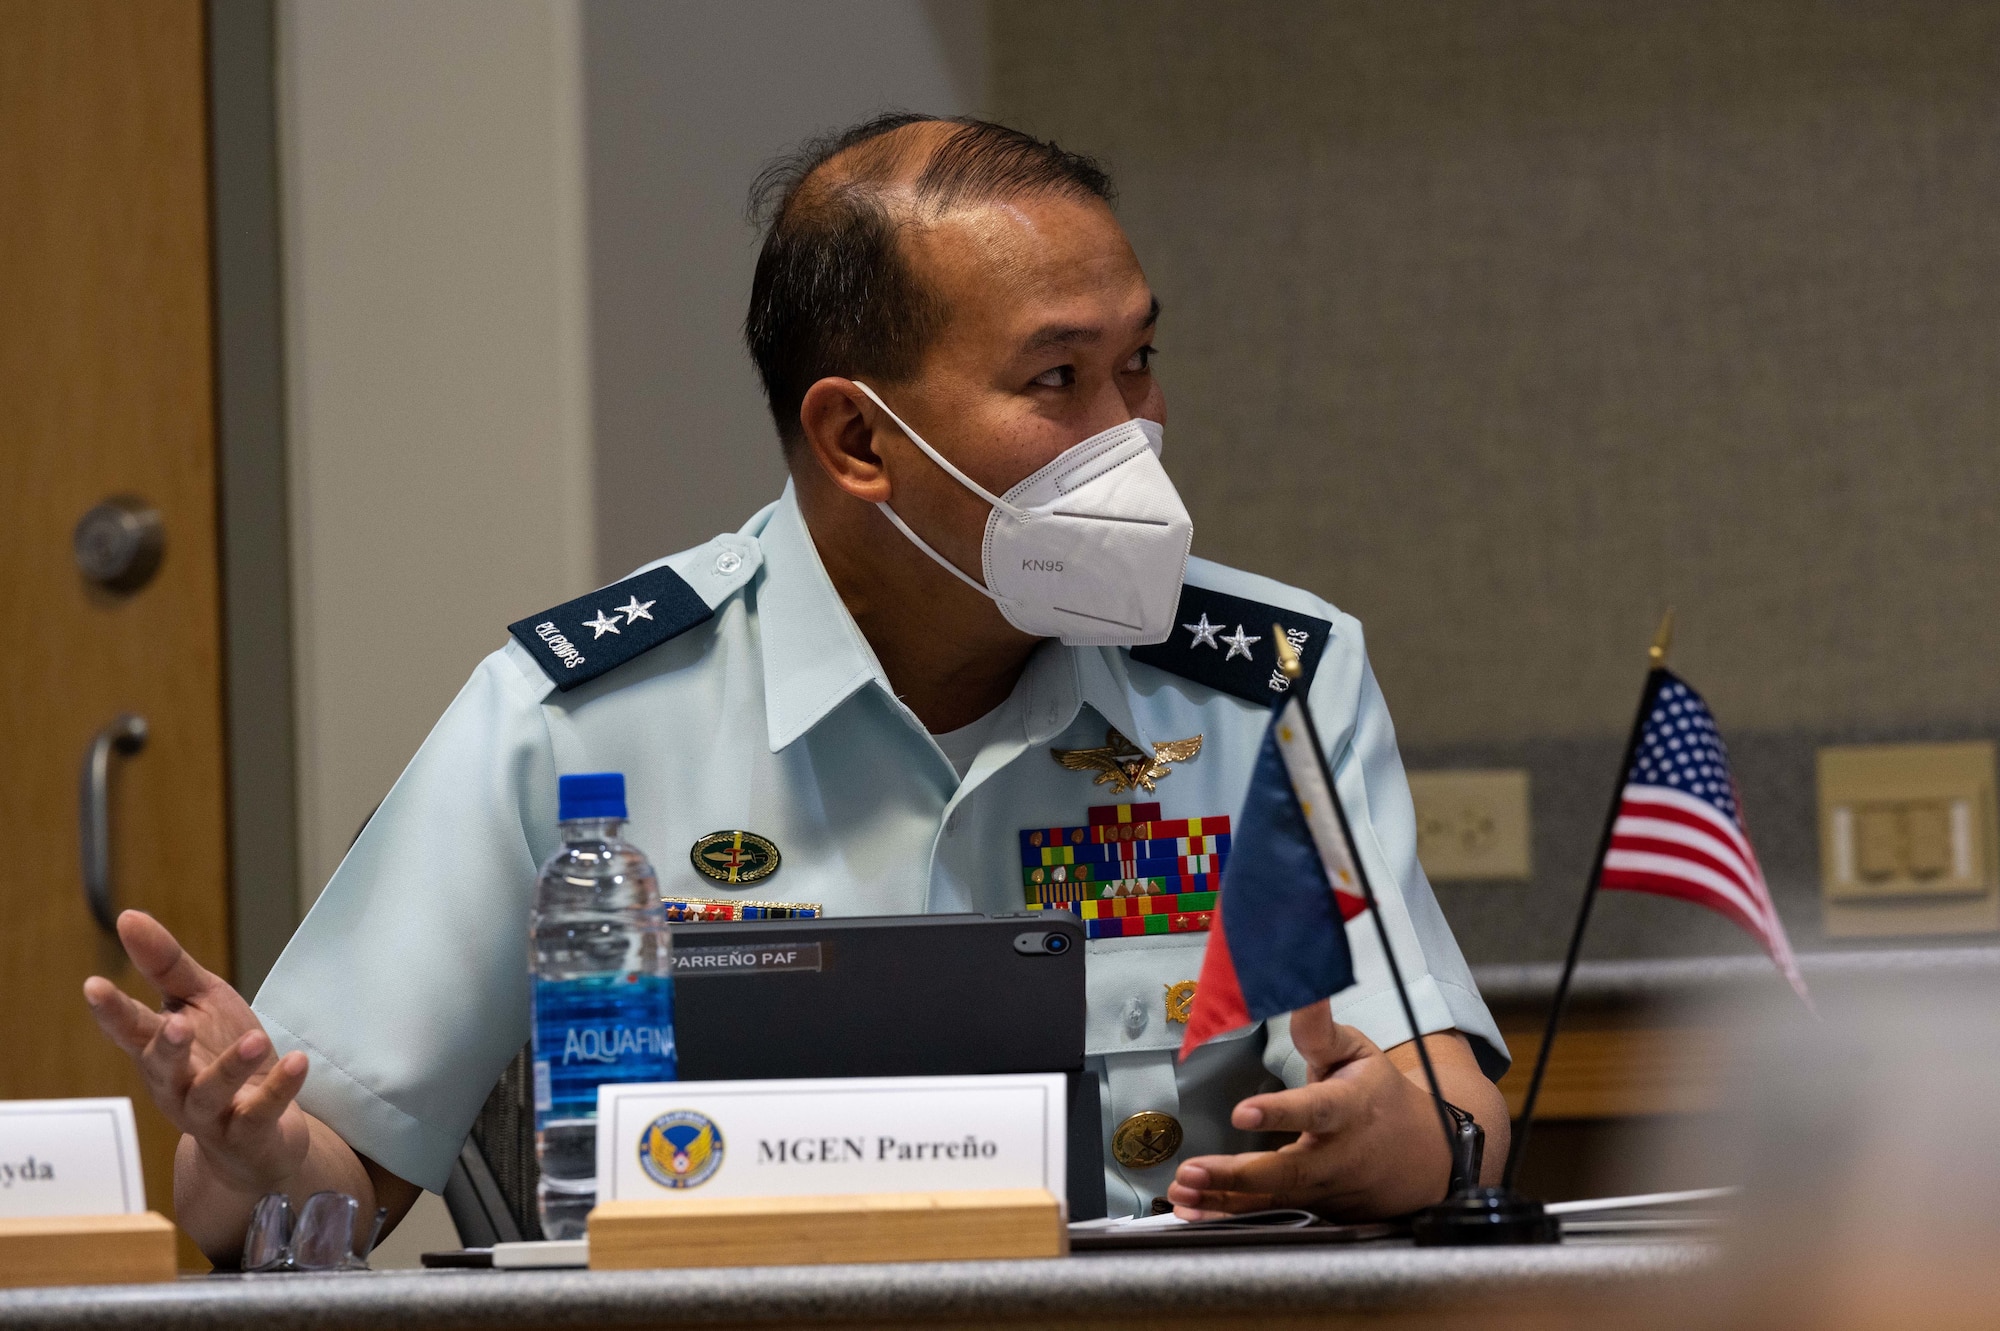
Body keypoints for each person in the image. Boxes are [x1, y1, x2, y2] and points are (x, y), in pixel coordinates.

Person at [84, 114, 1510, 1261]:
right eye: (1058, 381)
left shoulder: (1268, 686)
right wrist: (256, 1154)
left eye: (1137, 364)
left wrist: (1397, 1139)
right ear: (857, 439)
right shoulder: (574, 715)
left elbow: (1459, 1109)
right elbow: (278, 1222)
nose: (1128, 436)